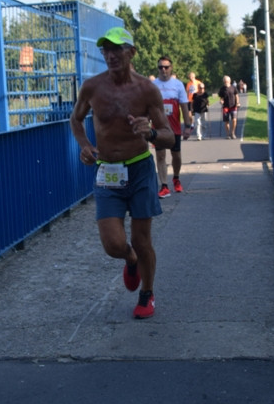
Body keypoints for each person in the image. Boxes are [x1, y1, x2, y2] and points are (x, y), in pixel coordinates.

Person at [69, 27, 173, 319]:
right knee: (114, 244)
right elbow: (75, 120)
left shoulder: (146, 89)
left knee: (142, 239)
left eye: (117, 49)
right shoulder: (92, 87)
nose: (111, 55)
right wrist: (86, 146)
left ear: (132, 52)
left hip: (139, 169)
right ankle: (130, 260)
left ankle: (147, 294)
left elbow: (168, 136)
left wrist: (150, 132)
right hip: (108, 172)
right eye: (106, 49)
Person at [152, 55, 192, 197]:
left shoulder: (178, 85)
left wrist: (187, 126)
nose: (163, 70)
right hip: (158, 127)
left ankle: (176, 177)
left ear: (171, 68)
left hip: (174, 127)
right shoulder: (153, 85)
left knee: (176, 155)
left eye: (166, 67)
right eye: (160, 67)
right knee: (160, 155)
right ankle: (163, 185)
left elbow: (184, 106)